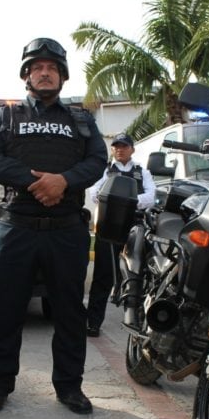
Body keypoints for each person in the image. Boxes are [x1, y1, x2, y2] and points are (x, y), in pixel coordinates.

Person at [0, 38, 108, 415]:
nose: (45, 72)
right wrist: (39, 183)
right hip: (16, 227)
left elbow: (97, 160)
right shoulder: (5, 117)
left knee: (69, 312)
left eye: (52, 68)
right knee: (6, 309)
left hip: (66, 229)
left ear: (63, 77)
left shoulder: (82, 120)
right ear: (27, 76)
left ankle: (69, 387)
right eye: (38, 67)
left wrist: (63, 182)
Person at [86, 133, 156, 337]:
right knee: (103, 276)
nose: (119, 149)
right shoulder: (105, 170)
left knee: (138, 275)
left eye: (124, 146)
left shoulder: (142, 172)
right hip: (108, 229)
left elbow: (151, 196)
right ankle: (93, 323)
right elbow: (94, 193)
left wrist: (124, 200)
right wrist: (126, 199)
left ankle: (138, 322)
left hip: (134, 230)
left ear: (132, 149)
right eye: (116, 146)